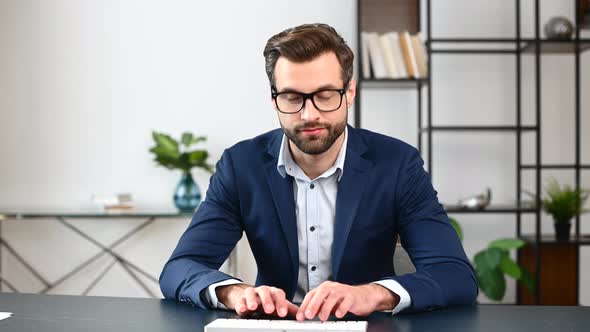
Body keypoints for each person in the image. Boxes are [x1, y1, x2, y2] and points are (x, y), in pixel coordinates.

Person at [159, 23, 477, 321]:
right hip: (273, 325)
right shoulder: (241, 166)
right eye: (292, 98)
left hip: (367, 325)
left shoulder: (397, 164)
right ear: (274, 99)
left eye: (325, 96)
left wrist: (374, 294)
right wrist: (235, 292)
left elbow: (454, 273)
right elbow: (181, 268)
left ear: (349, 92)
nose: (309, 114)